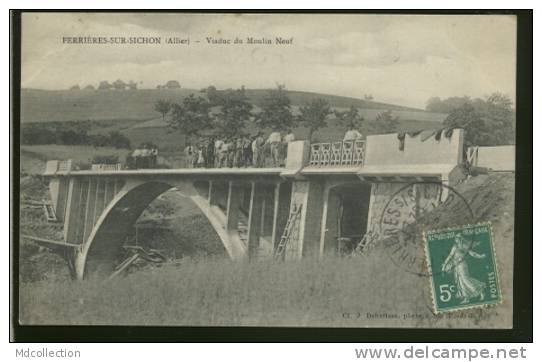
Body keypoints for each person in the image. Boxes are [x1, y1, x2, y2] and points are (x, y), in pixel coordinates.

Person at [441, 234, 486, 304]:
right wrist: (444, 265)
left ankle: (480, 291)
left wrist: (480, 256)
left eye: (458, 239)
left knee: (465, 279)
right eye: (456, 239)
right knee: (460, 281)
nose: (456, 240)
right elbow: (450, 256)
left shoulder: (465, 246)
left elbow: (472, 253)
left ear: (461, 239)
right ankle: (466, 298)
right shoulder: (455, 247)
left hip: (462, 265)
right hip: (456, 266)